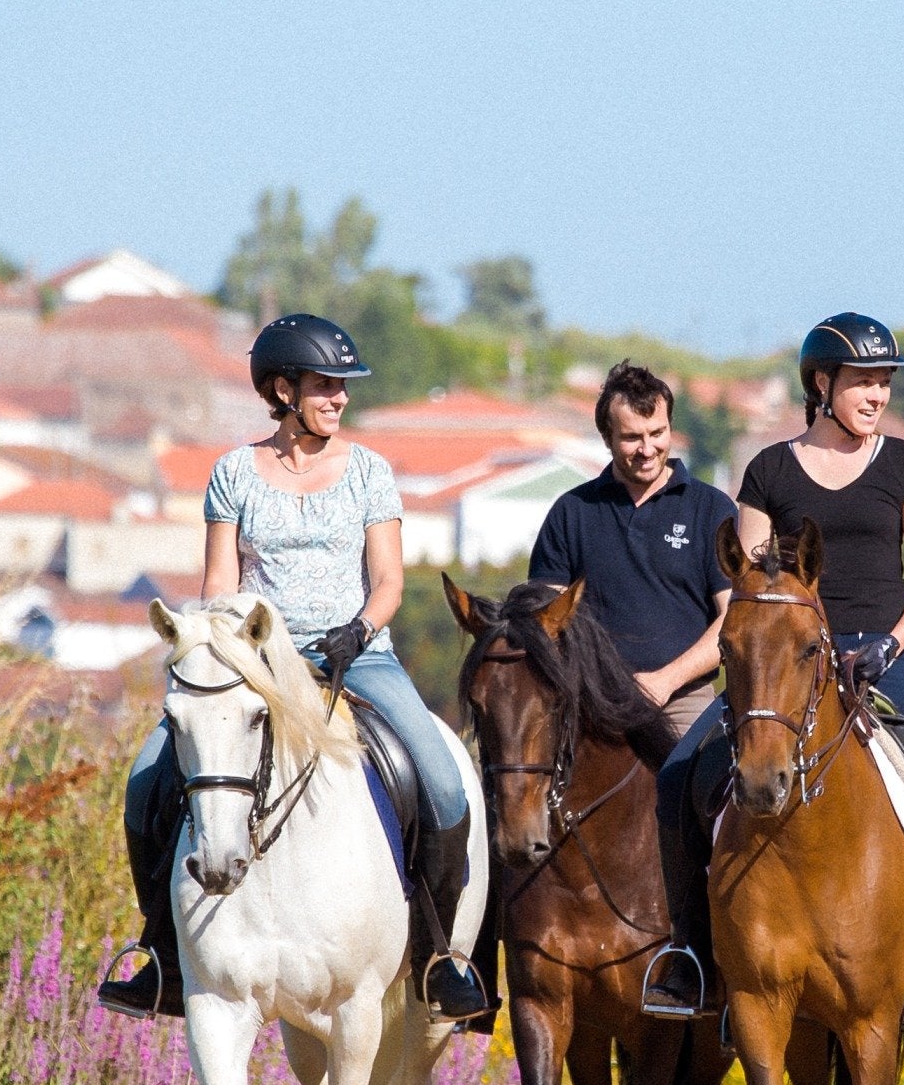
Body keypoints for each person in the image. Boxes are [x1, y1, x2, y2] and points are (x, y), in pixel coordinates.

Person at [99, 312, 490, 1024]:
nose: (339, 397)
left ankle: (439, 957)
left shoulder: (370, 471)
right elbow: (220, 581)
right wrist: (237, 642)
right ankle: (159, 953)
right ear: (282, 390)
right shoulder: (232, 473)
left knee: (440, 778)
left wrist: (358, 630)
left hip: (357, 655)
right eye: (323, 385)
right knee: (145, 781)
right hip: (255, 661)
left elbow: (389, 583)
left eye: (342, 386)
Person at [644, 312, 904, 1035]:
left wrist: (892, 646)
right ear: (821, 383)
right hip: (784, 664)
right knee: (680, 776)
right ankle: (692, 956)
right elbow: (748, 587)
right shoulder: (769, 471)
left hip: (885, 652)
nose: (876, 395)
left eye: (883, 382)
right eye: (863, 380)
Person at [524, 361, 741, 1012]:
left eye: (656, 432)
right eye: (630, 436)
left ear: (670, 429)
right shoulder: (572, 514)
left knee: (721, 805)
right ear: (607, 439)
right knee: (508, 788)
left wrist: (664, 681)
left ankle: (704, 961)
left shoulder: (709, 509)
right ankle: (491, 955)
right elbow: (547, 621)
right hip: (587, 707)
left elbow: (733, 619)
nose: (646, 448)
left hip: (686, 702)